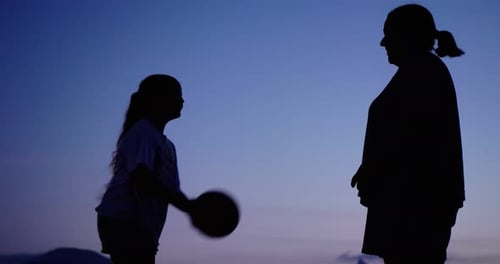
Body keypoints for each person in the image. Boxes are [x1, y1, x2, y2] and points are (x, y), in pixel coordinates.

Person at [351, 4, 465, 264]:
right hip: (409, 204)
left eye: (388, 33)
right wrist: (370, 168)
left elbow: (414, 139)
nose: (383, 42)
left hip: (415, 206)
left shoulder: (424, 71)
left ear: (408, 34)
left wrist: (374, 168)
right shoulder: (419, 71)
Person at [96, 74, 192, 264]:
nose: (182, 100)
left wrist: (193, 208)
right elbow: (141, 176)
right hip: (122, 219)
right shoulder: (143, 130)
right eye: (175, 95)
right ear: (155, 99)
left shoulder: (169, 147)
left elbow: (171, 190)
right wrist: (189, 207)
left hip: (142, 224)